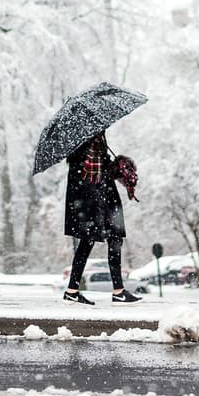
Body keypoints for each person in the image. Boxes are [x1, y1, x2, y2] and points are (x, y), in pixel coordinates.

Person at [62, 130, 141, 304]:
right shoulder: (85, 143)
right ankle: (77, 291)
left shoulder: (95, 141)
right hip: (93, 201)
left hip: (100, 198)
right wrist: (109, 171)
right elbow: (90, 175)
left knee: (109, 239)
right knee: (94, 241)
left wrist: (120, 166)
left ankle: (77, 290)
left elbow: (103, 171)